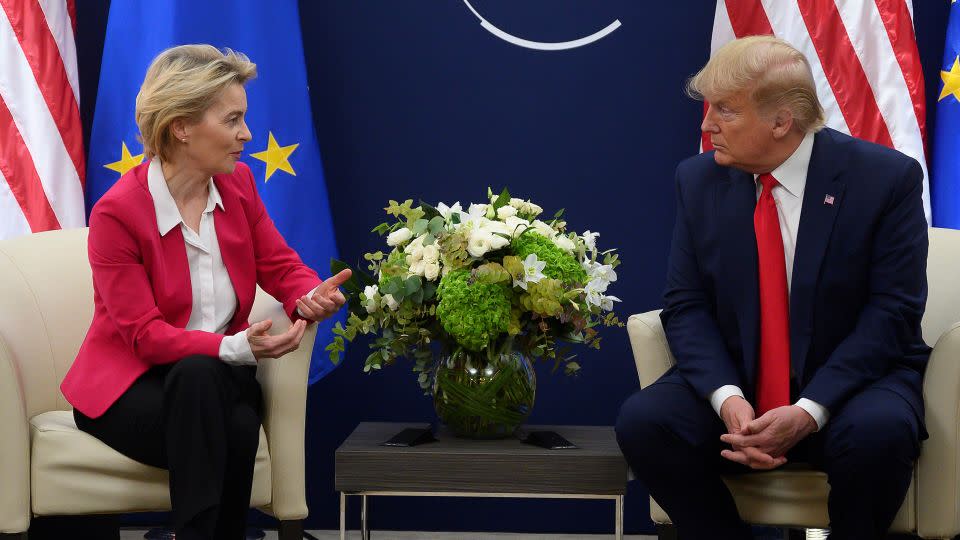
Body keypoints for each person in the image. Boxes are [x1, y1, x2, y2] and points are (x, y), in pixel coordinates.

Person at [616, 36, 930, 539]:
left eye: (725, 111)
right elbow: (686, 305)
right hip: (741, 381)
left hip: (850, 386)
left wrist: (809, 410)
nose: (707, 125)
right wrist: (727, 398)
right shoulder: (698, 181)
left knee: (881, 433)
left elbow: (893, 313)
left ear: (782, 122)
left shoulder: (884, 180)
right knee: (645, 422)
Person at [60, 44, 350, 540]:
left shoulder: (237, 185)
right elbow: (147, 337)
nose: (247, 135)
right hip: (130, 389)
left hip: (215, 379)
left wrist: (307, 296)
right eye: (233, 119)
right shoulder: (117, 213)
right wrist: (238, 347)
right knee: (229, 416)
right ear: (182, 127)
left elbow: (280, 266)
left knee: (205, 380)